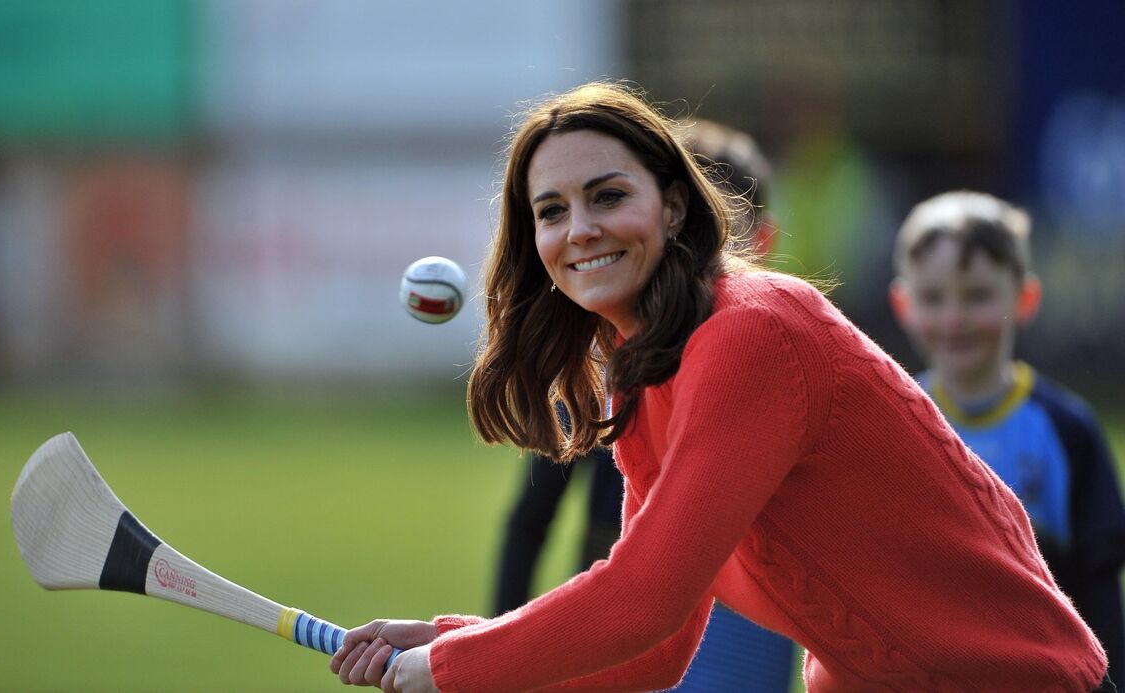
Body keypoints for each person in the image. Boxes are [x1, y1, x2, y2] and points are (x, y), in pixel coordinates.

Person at [330, 82, 1112, 692]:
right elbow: (661, 646)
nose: (580, 229)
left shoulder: (751, 331)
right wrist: (449, 640)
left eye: (607, 196)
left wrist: (455, 667)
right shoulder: (641, 366)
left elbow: (646, 599)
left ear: (672, 207)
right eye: (551, 212)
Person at [491, 117, 794, 692]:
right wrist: (493, 642)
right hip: (620, 619)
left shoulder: (774, 361)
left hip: (738, 635)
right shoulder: (597, 372)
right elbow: (533, 520)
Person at [888, 190, 1125, 685]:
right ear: (903, 304)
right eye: (934, 298)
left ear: (1025, 298)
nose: (955, 319)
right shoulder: (891, 425)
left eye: (977, 296)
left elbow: (1099, 586)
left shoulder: (1067, 431)